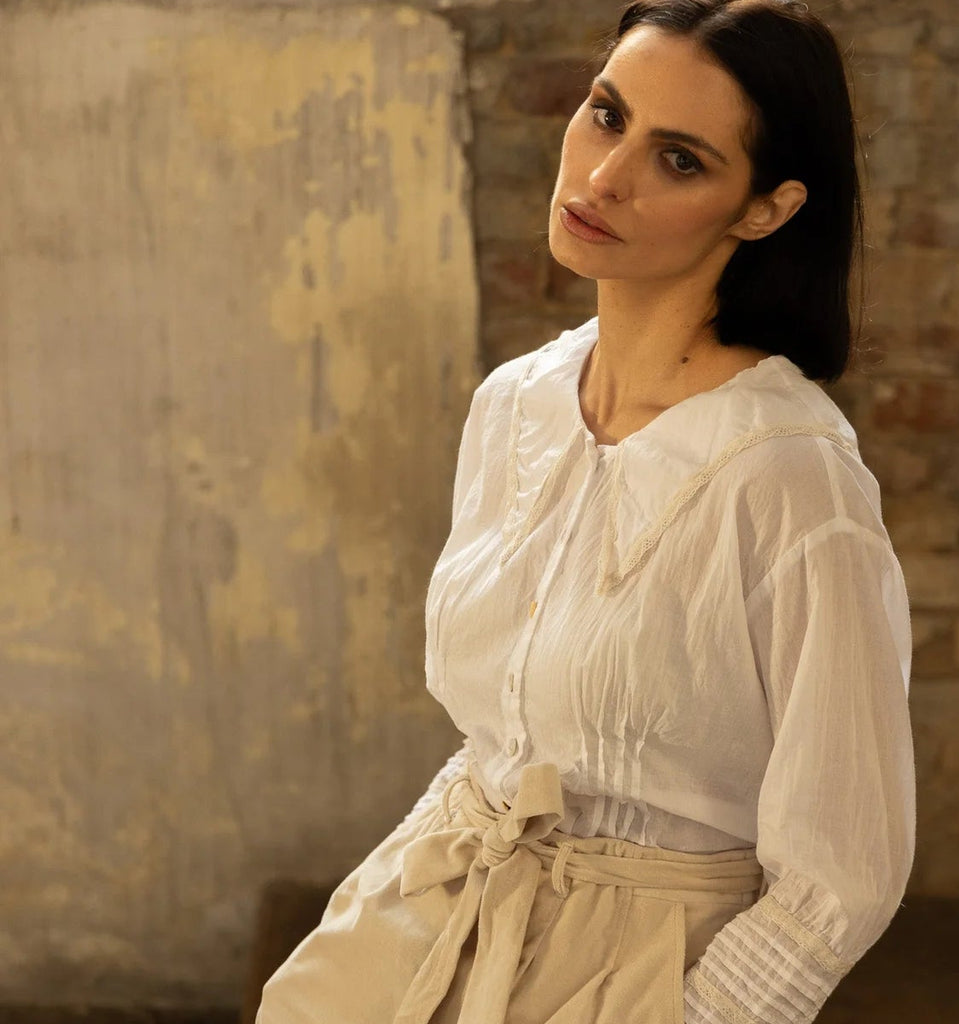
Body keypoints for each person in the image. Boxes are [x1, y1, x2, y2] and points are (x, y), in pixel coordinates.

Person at [257, 1, 916, 1021]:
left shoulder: (791, 479)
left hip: (639, 970)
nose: (605, 175)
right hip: (426, 920)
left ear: (765, 209)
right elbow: (502, 739)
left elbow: (844, 873)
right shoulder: (516, 404)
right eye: (607, 115)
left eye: (679, 160)